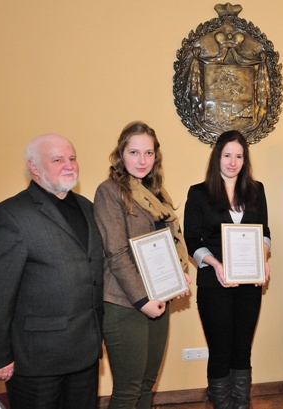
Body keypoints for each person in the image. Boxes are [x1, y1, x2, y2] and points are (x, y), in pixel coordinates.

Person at [0, 134, 104, 409]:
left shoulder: (87, 208)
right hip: (37, 360)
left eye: (72, 158)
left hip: (85, 353)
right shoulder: (10, 215)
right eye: (57, 159)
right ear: (35, 167)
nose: (69, 165)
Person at [93, 121, 190, 409]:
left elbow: (166, 242)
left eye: (148, 153)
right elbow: (117, 252)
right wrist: (142, 299)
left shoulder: (156, 193)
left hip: (159, 299)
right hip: (125, 303)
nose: (142, 160)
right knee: (128, 389)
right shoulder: (109, 191)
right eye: (134, 152)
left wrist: (178, 275)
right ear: (121, 154)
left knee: (148, 385)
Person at [184, 130, 271, 409]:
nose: (233, 162)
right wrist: (216, 264)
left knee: (242, 350)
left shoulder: (256, 190)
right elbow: (191, 240)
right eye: (227, 155)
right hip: (213, 284)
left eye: (239, 156)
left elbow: (265, 233)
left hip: (249, 284)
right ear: (217, 157)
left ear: (245, 160)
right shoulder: (198, 193)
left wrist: (264, 258)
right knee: (220, 350)